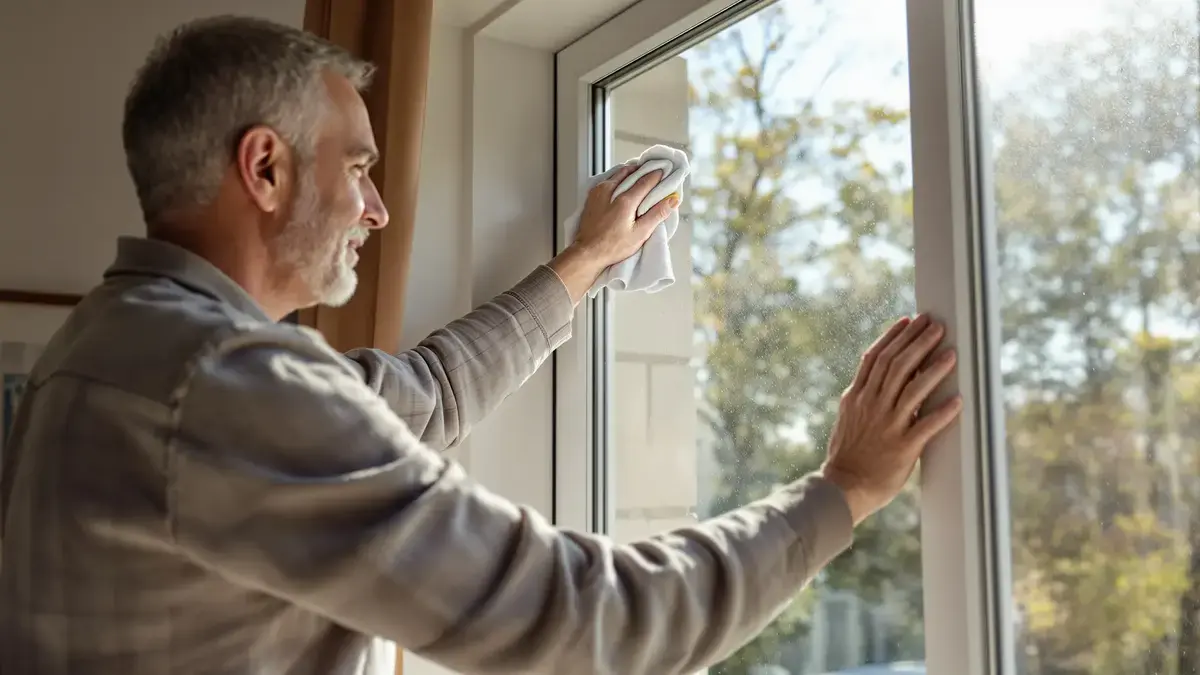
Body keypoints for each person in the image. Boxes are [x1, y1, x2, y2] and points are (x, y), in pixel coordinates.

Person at [0, 15, 962, 675]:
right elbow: (589, 617)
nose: (376, 211)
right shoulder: (218, 380)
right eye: (360, 169)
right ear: (265, 167)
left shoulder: (114, 342)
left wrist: (581, 265)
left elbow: (415, 394)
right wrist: (844, 492)